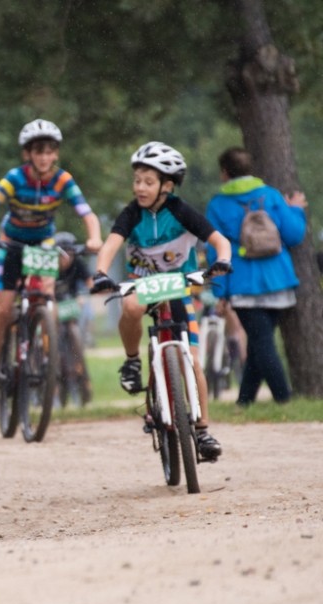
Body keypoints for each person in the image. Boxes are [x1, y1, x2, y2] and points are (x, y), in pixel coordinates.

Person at [90, 141, 232, 461]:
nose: (140, 187)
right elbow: (111, 244)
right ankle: (132, 361)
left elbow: (219, 240)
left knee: (192, 360)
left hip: (178, 286)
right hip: (143, 284)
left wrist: (223, 260)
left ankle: (202, 431)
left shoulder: (181, 211)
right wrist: (100, 272)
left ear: (166, 186)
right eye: (137, 180)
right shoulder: (131, 213)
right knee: (130, 306)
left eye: (148, 182)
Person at [0, 119, 103, 388]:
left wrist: (95, 237)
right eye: (38, 151)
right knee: (3, 309)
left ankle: (44, 354)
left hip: (43, 243)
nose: (44, 157)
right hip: (12, 244)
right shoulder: (15, 178)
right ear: (27, 154)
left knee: (46, 296)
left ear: (56, 154)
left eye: (49, 151)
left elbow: (87, 214)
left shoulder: (63, 180)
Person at [204, 146, 307, 406]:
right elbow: (294, 234)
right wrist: (295, 209)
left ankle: (284, 399)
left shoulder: (217, 205)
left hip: (243, 283)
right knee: (261, 343)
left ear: (224, 172)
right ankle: (245, 401)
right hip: (278, 279)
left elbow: (216, 251)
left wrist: (220, 291)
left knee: (261, 344)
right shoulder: (270, 195)